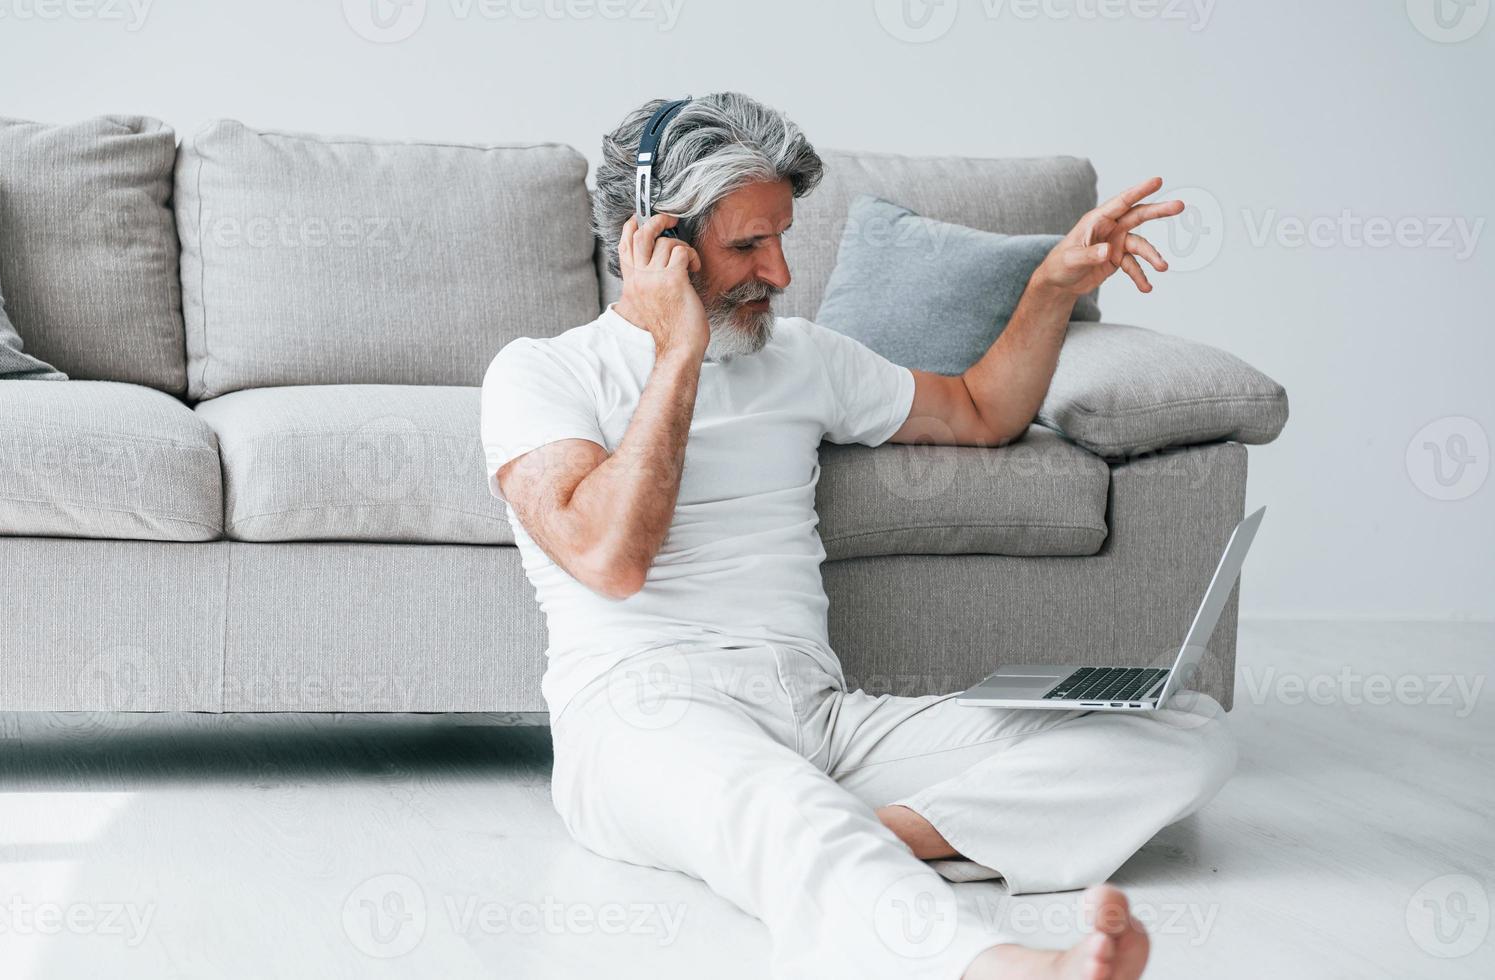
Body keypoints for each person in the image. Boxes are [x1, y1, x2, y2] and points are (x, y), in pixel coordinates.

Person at [480, 92, 1235, 980]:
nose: (782, 273)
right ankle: (1006, 967)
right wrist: (675, 351)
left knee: (1185, 728)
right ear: (658, 242)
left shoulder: (802, 356)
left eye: (782, 237)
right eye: (747, 246)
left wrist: (1051, 288)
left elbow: (983, 412)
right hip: (644, 716)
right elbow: (610, 558)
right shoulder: (542, 371)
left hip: (822, 717)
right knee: (777, 801)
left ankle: (839, 843)